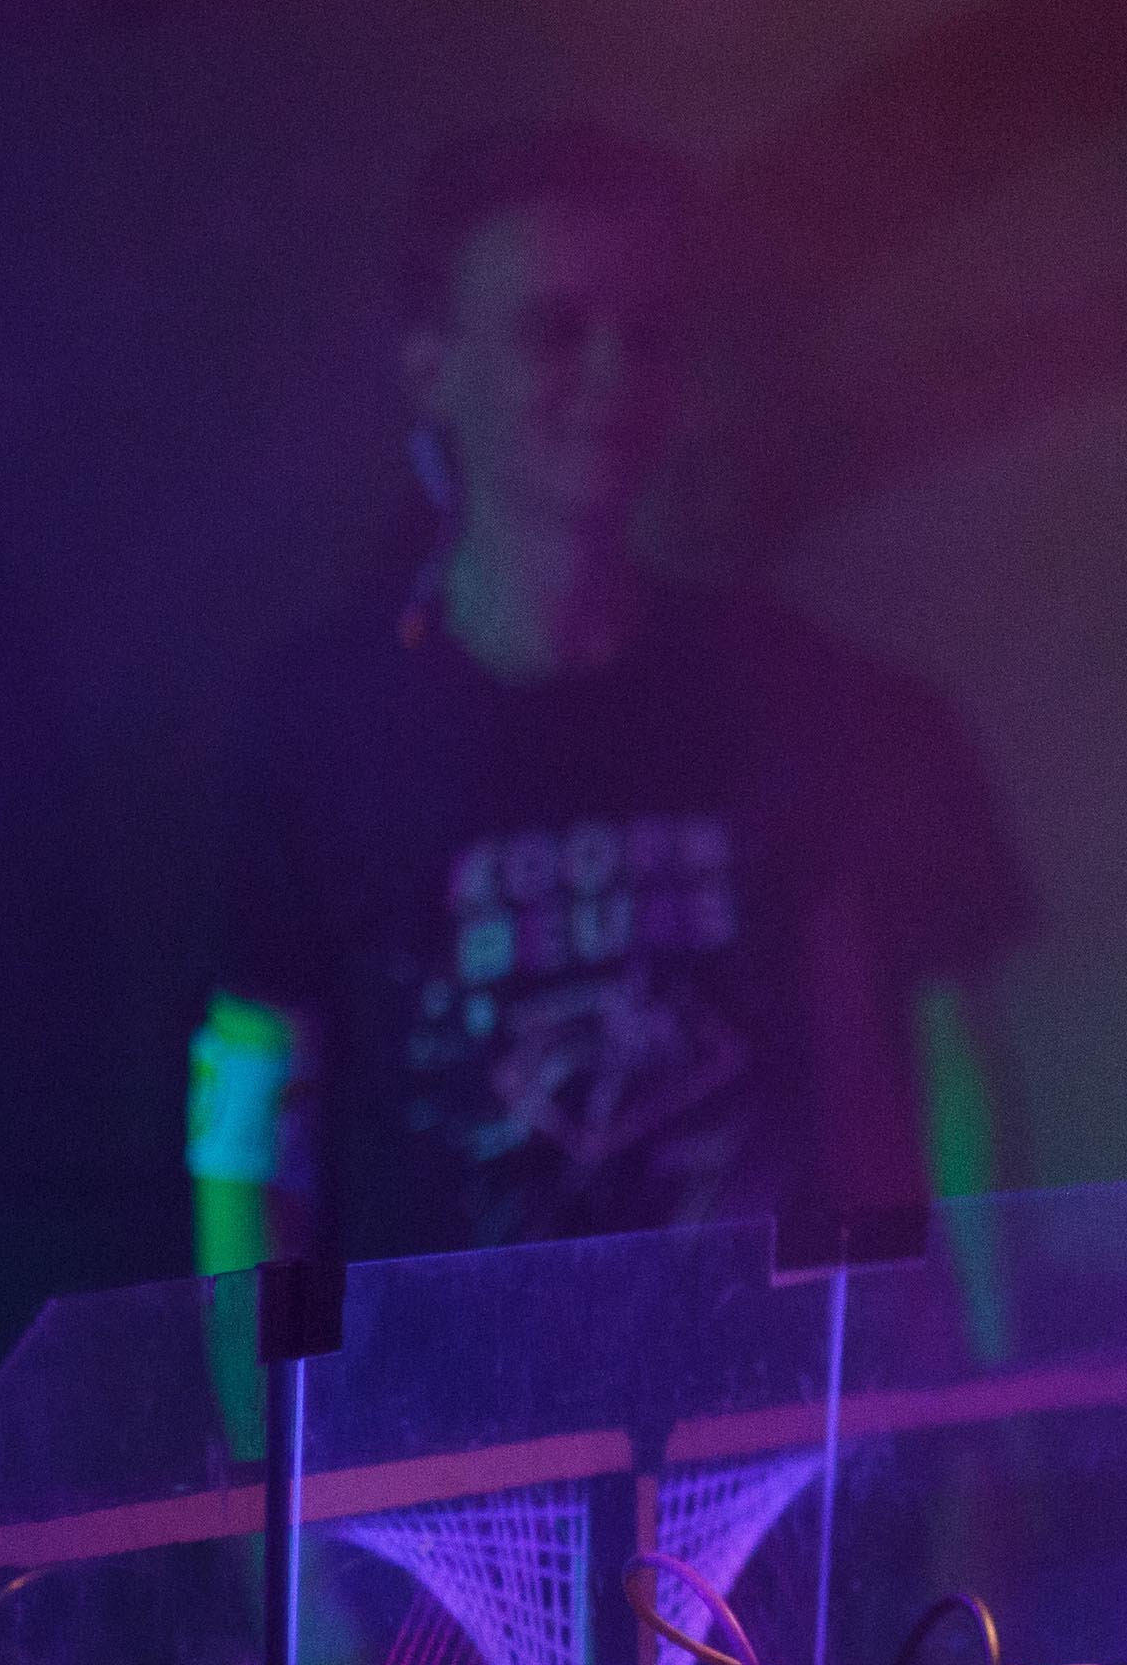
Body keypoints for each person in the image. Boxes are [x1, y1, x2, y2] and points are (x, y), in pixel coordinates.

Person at [189, 122, 1030, 1275]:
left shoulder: (790, 693)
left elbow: (876, 1088)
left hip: (757, 1383)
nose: (611, 374)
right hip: (457, 1393)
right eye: (555, 330)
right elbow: (252, 1147)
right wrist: (267, 1391)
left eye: (649, 337)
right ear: (431, 370)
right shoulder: (317, 736)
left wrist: (943, 1365)